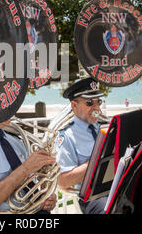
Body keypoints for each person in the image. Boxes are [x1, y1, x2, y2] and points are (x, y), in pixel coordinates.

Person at [55, 77, 107, 214]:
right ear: (74, 105)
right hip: (92, 196)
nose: (96, 107)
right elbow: (63, 181)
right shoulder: (66, 135)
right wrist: (96, 162)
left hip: (116, 186)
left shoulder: (105, 126)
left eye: (98, 102)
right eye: (90, 102)